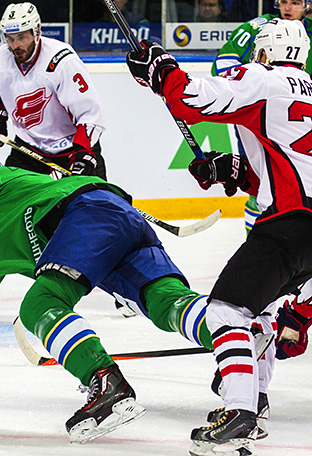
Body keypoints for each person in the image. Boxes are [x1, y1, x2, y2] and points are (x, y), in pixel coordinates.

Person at [0, 153, 219, 443]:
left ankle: (105, 380)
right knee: (166, 303)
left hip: (81, 214)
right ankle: (234, 333)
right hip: (104, 228)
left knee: (39, 307)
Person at [126, 18, 312, 456]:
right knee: (260, 310)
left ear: (264, 52)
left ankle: (240, 411)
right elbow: (288, 165)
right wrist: (233, 170)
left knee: (226, 310)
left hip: (287, 225)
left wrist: (161, 69)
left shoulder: (263, 77)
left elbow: (195, 98)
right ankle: (256, 403)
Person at [0, 2, 108, 179]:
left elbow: (90, 115)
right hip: (27, 150)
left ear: (36, 32)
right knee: (10, 202)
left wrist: (83, 154)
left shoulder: (62, 61)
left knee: (93, 205)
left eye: (22, 37)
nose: (16, 45)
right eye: (10, 38)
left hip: (71, 151)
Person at [212, 0, 312, 235]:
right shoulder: (258, 26)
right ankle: (258, 244)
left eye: (295, 2)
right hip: (260, 117)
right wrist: (250, 87)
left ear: (308, 5)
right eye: (284, 1)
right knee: (262, 183)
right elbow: (223, 62)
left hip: (300, 123)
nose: (288, 8)